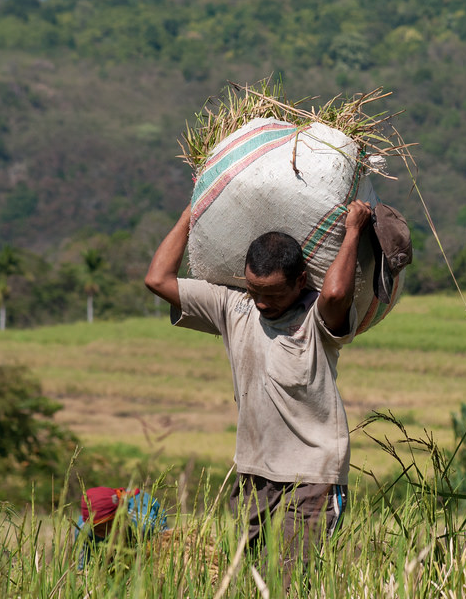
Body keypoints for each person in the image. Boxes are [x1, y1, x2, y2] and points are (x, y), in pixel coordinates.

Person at [144, 199, 373, 575]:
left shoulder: (318, 318)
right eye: (255, 291)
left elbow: (334, 293)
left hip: (312, 474)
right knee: (252, 577)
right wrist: (192, 212)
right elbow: (157, 280)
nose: (263, 303)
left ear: (300, 281)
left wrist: (352, 231)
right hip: (254, 471)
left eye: (275, 294)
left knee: (292, 580)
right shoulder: (232, 306)